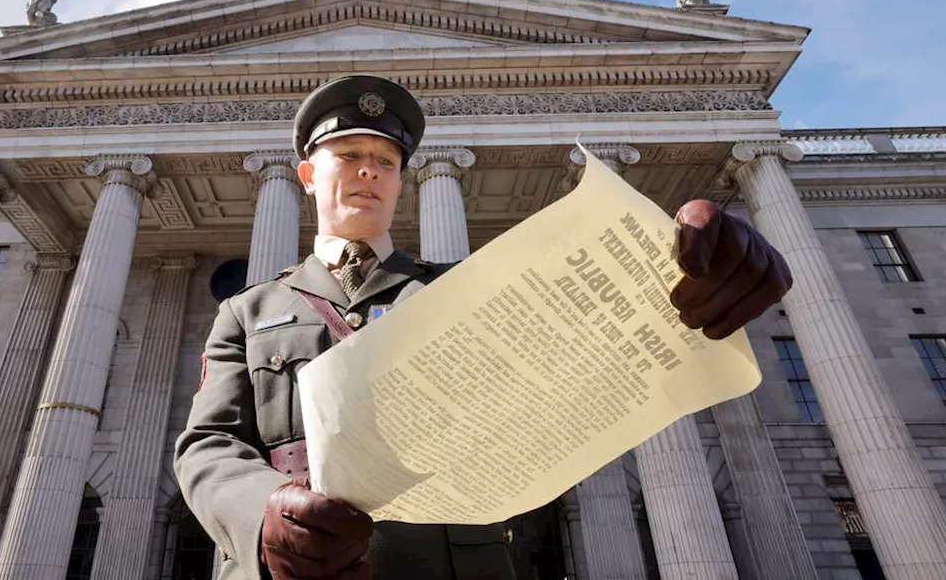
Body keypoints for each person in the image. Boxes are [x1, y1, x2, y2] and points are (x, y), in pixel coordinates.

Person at [174, 74, 793, 580]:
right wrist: (265, 521)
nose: (369, 171)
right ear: (308, 175)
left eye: (386, 161)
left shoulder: (463, 291)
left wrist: (687, 266)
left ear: (401, 180)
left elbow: (587, 353)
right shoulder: (248, 311)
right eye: (350, 155)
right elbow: (207, 446)